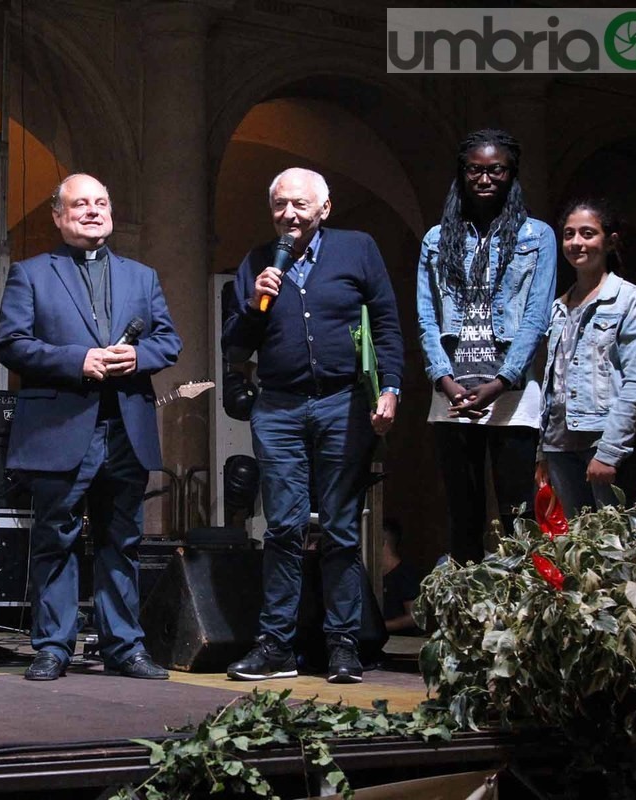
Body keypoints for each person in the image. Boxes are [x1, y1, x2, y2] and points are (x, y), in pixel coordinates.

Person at [221, 167, 404, 684]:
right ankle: (276, 645)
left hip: (343, 404)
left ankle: (342, 644)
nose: (289, 214)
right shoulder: (258, 262)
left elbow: (386, 323)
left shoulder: (357, 249)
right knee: (282, 528)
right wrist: (257, 301)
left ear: (324, 208)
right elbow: (235, 346)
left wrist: (389, 388)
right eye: (280, 205)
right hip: (278, 407)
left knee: (342, 530)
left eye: (300, 204)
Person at [0, 173, 182, 681]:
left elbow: (169, 342)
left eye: (101, 202)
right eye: (80, 204)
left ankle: (125, 646)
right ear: (58, 216)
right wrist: (80, 360)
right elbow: (11, 343)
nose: (93, 211)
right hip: (59, 428)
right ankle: (53, 647)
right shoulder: (32, 274)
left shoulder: (142, 276)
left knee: (121, 541)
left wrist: (136, 356)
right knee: (55, 539)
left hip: (125, 428)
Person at [415, 129, 557, 566]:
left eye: (496, 169)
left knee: (518, 515)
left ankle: (519, 620)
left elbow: (536, 318)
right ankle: (469, 624)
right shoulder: (437, 240)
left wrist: (502, 381)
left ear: (511, 174)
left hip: (511, 396)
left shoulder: (538, 236)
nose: (485, 178)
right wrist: (443, 379)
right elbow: (426, 315)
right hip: (453, 396)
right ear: (462, 174)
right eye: (475, 169)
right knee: (463, 515)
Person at [535, 198, 636, 513]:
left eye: (587, 233)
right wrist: (542, 453)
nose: (576, 242)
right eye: (569, 234)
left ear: (610, 241)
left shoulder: (629, 300)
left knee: (616, 548)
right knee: (574, 547)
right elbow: (551, 381)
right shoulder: (558, 308)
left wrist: (610, 451)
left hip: (602, 443)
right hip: (559, 445)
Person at [380, 518, 422, 636]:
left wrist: (381, 627)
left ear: (382, 541)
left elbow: (414, 617)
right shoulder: (374, 576)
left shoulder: (405, 574)